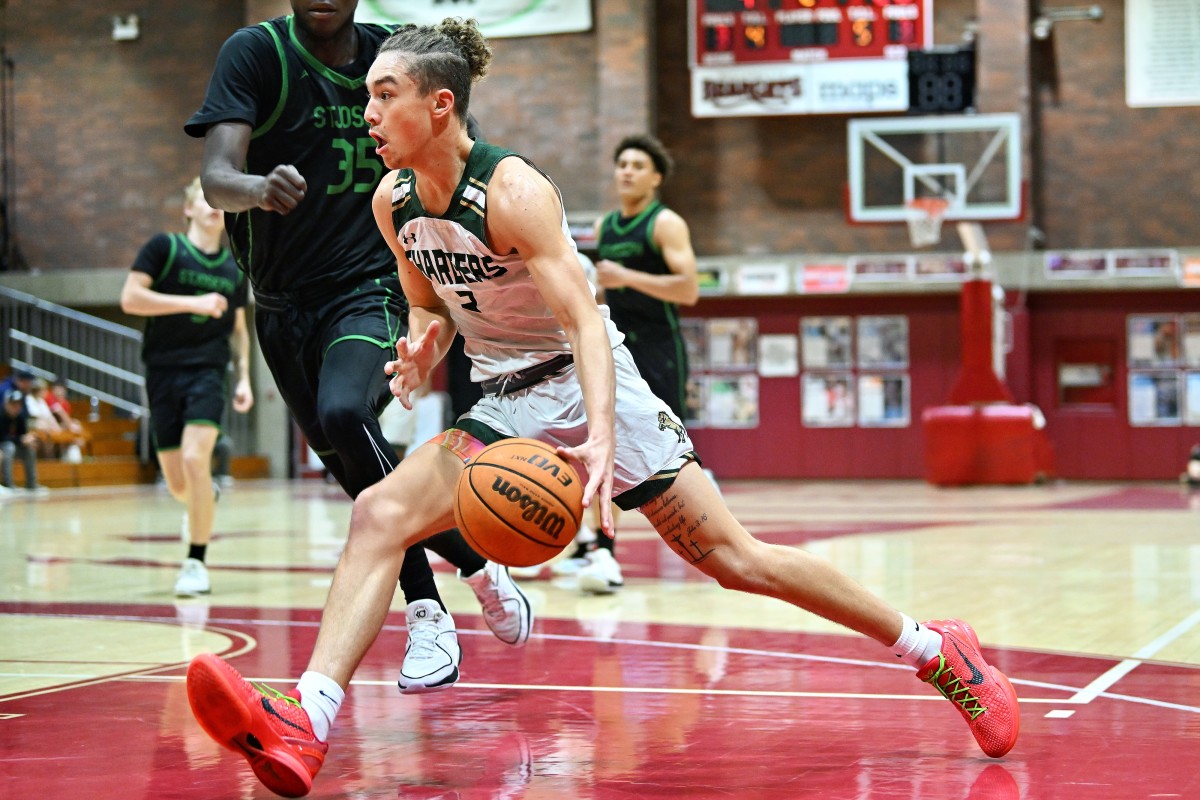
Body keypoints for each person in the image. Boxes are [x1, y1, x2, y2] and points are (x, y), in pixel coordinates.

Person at [184, 20, 1020, 798]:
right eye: (367, 94)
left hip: (589, 380)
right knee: (377, 514)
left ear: (439, 103)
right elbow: (432, 304)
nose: (366, 111)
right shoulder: (393, 201)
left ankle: (937, 650)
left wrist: (599, 436)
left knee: (735, 558)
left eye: (383, 93)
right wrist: (421, 348)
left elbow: (586, 320)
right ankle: (308, 719)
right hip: (506, 396)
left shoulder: (510, 192)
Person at [183, 0, 530, 691]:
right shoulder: (256, 54)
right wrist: (256, 187)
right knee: (347, 458)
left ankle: (425, 610)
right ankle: (475, 563)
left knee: (347, 413)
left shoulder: (389, 55)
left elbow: (455, 141)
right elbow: (217, 175)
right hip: (281, 303)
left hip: (370, 282)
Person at [553, 134, 701, 594]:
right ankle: (597, 549)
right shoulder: (607, 225)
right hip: (618, 347)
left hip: (659, 347)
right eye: (622, 164)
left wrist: (627, 277)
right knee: (604, 441)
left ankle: (702, 535)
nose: (627, 171)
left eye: (638, 165)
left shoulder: (666, 223)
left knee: (665, 452)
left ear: (656, 178)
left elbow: (689, 289)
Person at [121, 177, 255, 597]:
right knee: (179, 483)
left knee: (198, 459)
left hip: (208, 372)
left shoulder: (234, 269)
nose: (213, 205)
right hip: (162, 371)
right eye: (204, 197)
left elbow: (238, 330)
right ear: (190, 209)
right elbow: (130, 299)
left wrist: (245, 377)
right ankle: (201, 497)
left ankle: (195, 561)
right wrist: (191, 303)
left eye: (218, 200)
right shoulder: (165, 249)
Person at [1, 388, 41, 493]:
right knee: (9, 448)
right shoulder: (1, 416)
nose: (16, 407)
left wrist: (31, 439)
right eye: (13, 404)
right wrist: (21, 439)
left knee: (29, 449)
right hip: (3, 447)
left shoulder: (21, 417)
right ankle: (8, 484)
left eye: (18, 404)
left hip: (15, 445)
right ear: (7, 404)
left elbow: (23, 435)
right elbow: (2, 437)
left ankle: (32, 484)